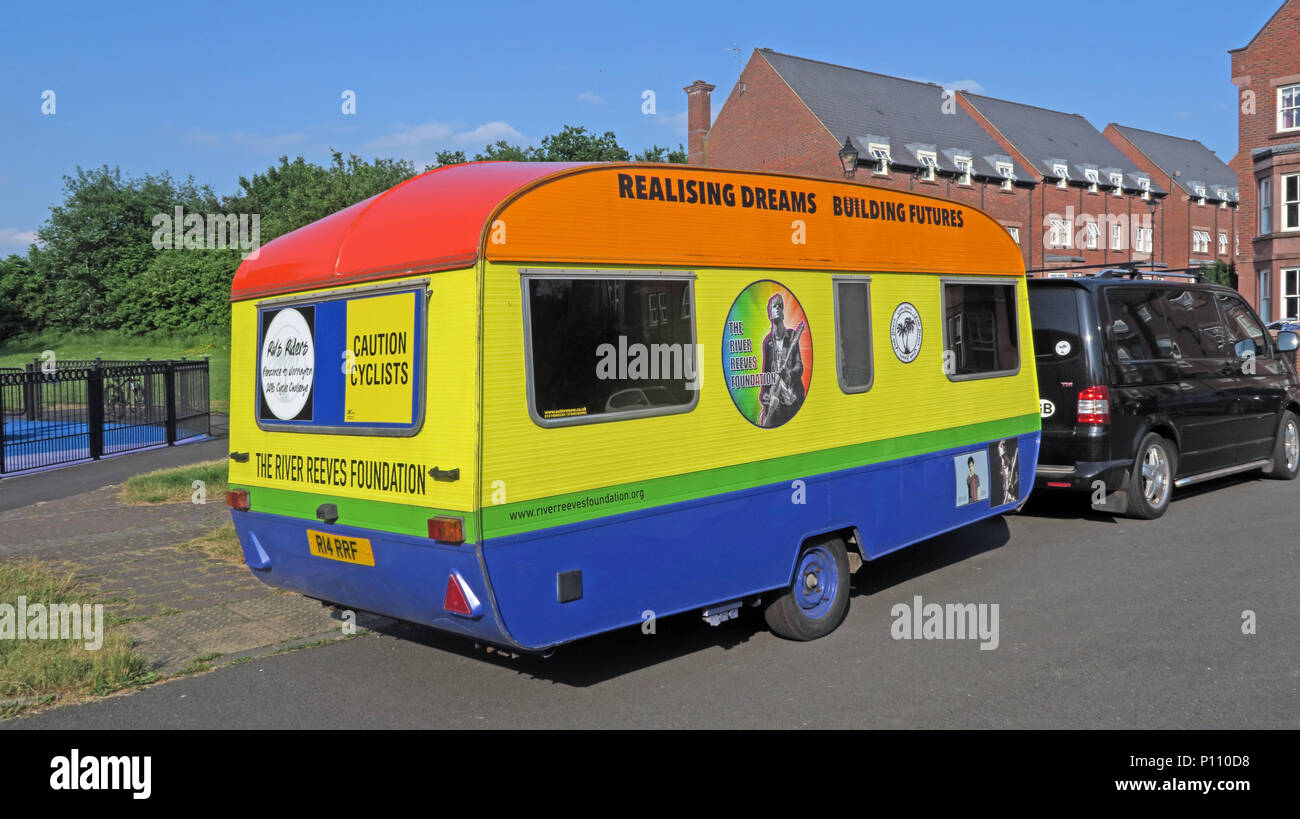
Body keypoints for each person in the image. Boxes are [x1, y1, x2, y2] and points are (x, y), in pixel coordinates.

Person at [759, 293, 805, 428]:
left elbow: (799, 365)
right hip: (776, 404)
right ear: (769, 315)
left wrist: (788, 374)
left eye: (780, 306)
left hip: (793, 401)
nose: (778, 308)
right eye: (774, 306)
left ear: (783, 314)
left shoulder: (792, 336)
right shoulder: (768, 343)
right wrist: (765, 394)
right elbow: (766, 373)